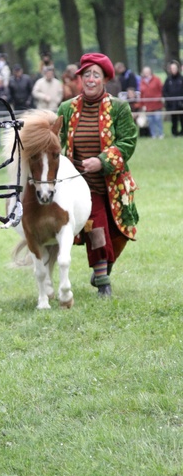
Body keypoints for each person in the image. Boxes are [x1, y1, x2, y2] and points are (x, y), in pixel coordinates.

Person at [58, 53, 139, 298]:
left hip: (114, 183)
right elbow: (54, 141)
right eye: (86, 75)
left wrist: (102, 161)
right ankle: (103, 282)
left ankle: (103, 267)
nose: (90, 79)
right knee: (96, 227)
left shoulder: (118, 107)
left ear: (105, 79)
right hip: (82, 185)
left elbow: (128, 141)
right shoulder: (67, 108)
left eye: (96, 75)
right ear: (80, 78)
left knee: (118, 234)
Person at [139, 66, 164, 139]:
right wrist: (142, 105)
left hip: (156, 104)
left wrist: (159, 98)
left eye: (147, 71)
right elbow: (141, 94)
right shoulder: (142, 82)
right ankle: (153, 134)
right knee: (150, 120)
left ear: (150, 72)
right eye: (145, 72)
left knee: (158, 119)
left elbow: (161, 90)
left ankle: (160, 134)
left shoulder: (156, 79)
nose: (146, 73)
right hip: (147, 105)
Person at [162, 60, 183, 137]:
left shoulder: (181, 79)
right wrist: (168, 100)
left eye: (175, 68)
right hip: (172, 104)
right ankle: (174, 132)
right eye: (172, 68)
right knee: (174, 120)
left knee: (182, 119)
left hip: (181, 104)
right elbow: (165, 91)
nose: (174, 70)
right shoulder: (168, 80)